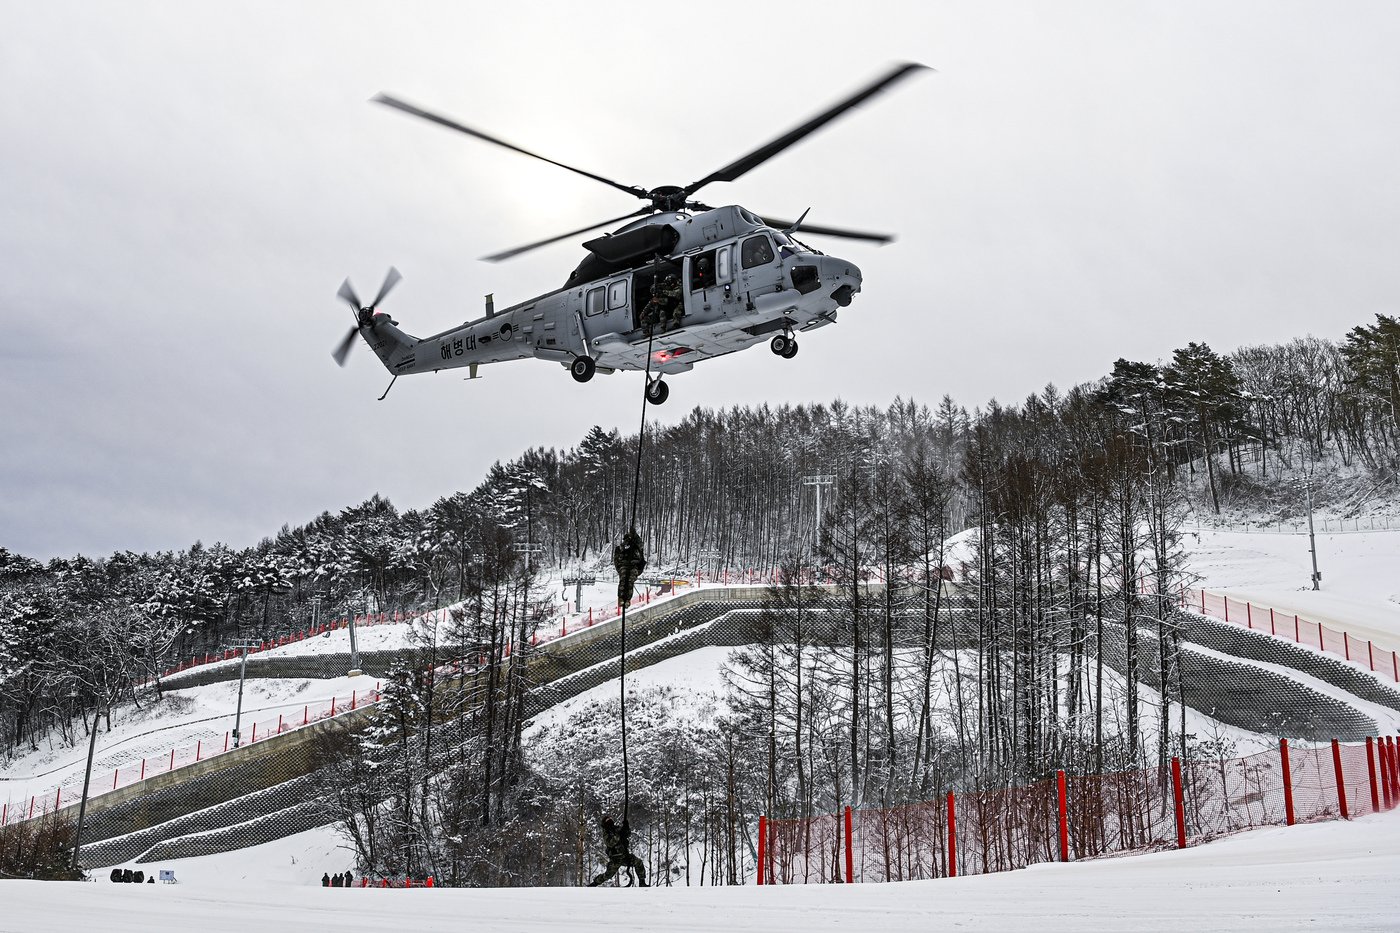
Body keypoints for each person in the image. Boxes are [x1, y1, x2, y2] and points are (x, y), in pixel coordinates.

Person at [588, 815, 648, 887]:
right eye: (608, 822)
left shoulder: (616, 829)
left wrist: (626, 827)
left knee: (638, 862)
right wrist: (619, 835)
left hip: (625, 855)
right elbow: (610, 843)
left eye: (611, 821)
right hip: (615, 858)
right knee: (608, 875)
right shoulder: (606, 833)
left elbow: (627, 834)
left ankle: (642, 882)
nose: (610, 823)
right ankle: (595, 883)